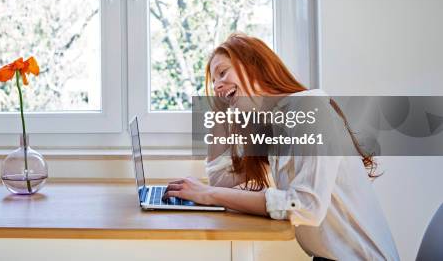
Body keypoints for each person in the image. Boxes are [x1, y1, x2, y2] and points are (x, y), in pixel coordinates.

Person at [162, 33, 399, 260]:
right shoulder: (274, 126)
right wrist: (219, 112)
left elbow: (307, 206)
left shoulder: (308, 109)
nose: (217, 86)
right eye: (214, 82)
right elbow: (221, 182)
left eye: (223, 73)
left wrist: (209, 195)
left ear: (254, 65)